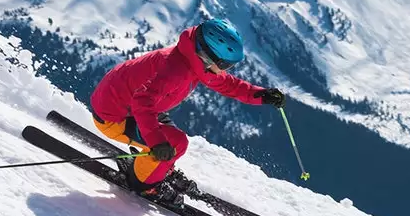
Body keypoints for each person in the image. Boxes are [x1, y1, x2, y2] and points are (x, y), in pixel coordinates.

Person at [88, 16, 285, 203]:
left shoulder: (192, 60)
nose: (226, 70)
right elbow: (142, 102)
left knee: (170, 141)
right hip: (114, 117)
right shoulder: (176, 71)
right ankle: (143, 184)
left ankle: (159, 167)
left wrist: (261, 95)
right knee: (176, 143)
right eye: (226, 65)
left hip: (131, 106)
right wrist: (157, 143)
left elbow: (227, 84)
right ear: (208, 57)